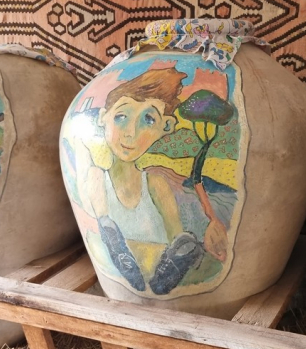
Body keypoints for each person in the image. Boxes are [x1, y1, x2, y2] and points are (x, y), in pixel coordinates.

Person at [76, 66, 227, 294]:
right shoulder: (95, 176)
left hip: (158, 262)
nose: (131, 132)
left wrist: (189, 240)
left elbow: (174, 231)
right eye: (121, 117)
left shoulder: (155, 183)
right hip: (122, 253)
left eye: (148, 120)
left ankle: (165, 271)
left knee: (181, 244)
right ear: (102, 118)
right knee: (96, 179)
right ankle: (114, 241)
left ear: (166, 127)